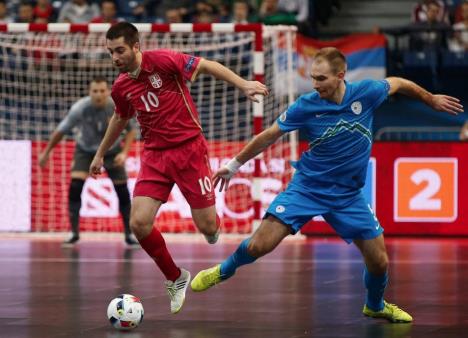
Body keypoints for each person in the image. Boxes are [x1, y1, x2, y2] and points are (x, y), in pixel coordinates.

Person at [191, 47, 464, 323]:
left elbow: (399, 83)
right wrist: (233, 165)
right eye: (313, 78)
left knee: (379, 261)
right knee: (258, 246)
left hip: (348, 196)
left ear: (340, 76)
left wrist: (430, 99)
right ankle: (223, 271)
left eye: (321, 79)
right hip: (307, 188)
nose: (315, 84)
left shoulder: (367, 92)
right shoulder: (306, 105)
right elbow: (268, 136)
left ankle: (375, 305)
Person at [89, 22, 268, 314]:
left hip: (189, 151)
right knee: (138, 223)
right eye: (110, 52)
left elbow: (207, 65)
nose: (115, 57)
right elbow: (120, 118)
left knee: (208, 230)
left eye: (120, 50)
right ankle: (175, 277)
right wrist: (99, 154)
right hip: (154, 156)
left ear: (136, 46)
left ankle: (213, 223)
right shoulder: (121, 85)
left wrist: (244, 83)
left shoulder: (163, 60)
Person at [39, 77, 138, 247]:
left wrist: (124, 153)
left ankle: (129, 235)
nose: (98, 95)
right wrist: (46, 152)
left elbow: (131, 131)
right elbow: (60, 131)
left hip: (111, 151)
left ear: (108, 92)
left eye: (102, 91)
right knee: (75, 186)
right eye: (95, 91)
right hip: (85, 150)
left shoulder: (116, 106)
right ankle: (74, 233)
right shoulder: (79, 108)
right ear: (89, 92)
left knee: (122, 190)